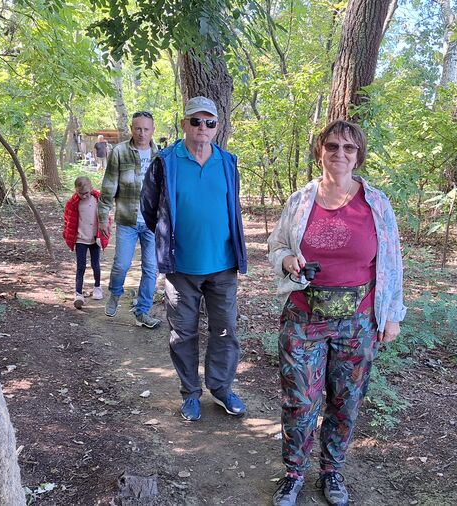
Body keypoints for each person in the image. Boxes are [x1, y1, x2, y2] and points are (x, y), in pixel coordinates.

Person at [267, 120, 405, 506]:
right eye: (332, 146)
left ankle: (332, 471)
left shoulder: (376, 203)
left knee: (346, 399)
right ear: (320, 152)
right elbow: (277, 245)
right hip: (303, 316)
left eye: (348, 147)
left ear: (358, 155)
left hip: (358, 321)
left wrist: (392, 314)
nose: (339, 154)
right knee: (300, 400)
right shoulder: (300, 201)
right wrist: (288, 260)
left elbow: (391, 261)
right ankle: (294, 473)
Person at [141, 96, 248, 422]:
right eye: (196, 121)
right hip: (181, 268)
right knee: (183, 333)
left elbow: (232, 206)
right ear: (184, 124)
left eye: (209, 122)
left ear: (217, 127)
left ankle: (221, 388)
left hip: (223, 265)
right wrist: (170, 241)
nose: (203, 127)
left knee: (225, 330)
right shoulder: (165, 162)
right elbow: (150, 209)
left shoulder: (227, 163)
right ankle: (190, 393)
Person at [98, 112, 162, 328]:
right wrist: (103, 217)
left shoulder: (160, 156)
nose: (141, 133)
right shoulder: (119, 152)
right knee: (122, 264)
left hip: (152, 223)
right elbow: (109, 186)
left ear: (152, 130)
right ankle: (115, 293)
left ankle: (143, 311)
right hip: (127, 219)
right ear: (131, 129)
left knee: (151, 268)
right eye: (138, 128)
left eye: (146, 129)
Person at [63, 176, 111, 309]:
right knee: (81, 266)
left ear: (91, 188)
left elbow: (106, 218)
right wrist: (67, 235)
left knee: (96, 264)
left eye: (86, 193)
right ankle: (78, 294)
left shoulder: (98, 200)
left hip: (95, 239)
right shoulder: (73, 203)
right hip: (80, 239)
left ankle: (97, 287)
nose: (84, 196)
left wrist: (103, 234)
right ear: (76, 190)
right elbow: (68, 220)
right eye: (80, 193)